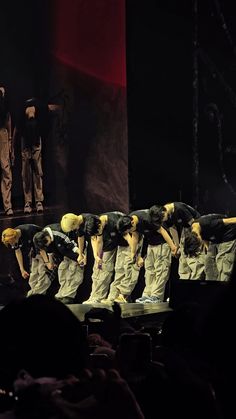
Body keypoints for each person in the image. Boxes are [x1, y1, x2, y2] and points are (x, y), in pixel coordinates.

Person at [113, 209, 177, 303]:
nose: (130, 231)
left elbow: (163, 231)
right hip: (151, 244)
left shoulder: (147, 219)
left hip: (162, 243)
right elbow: (135, 236)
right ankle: (147, 294)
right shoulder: (131, 221)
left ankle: (156, 296)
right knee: (149, 270)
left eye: (130, 229)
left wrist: (173, 247)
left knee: (161, 270)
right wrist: (133, 253)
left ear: (133, 222)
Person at [12, 98, 60, 214]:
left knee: (38, 171)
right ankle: (27, 203)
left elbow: (51, 108)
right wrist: (12, 148)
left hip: (36, 139)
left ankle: (39, 201)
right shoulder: (21, 115)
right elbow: (16, 131)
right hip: (25, 141)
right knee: (26, 173)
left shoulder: (41, 109)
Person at [149, 202, 205, 280]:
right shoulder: (167, 215)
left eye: (161, 218)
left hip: (195, 228)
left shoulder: (180, 208)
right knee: (183, 256)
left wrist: (196, 241)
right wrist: (176, 246)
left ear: (163, 212)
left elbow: (194, 224)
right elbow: (173, 229)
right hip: (185, 230)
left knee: (192, 256)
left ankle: (196, 279)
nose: (161, 221)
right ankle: (184, 279)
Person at [82, 211, 125, 304]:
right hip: (110, 241)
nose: (97, 234)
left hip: (125, 240)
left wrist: (136, 254)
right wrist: (96, 256)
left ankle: (115, 296)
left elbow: (131, 236)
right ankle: (96, 296)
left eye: (98, 232)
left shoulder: (116, 221)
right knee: (101, 268)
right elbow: (97, 240)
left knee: (121, 268)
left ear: (100, 225)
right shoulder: (95, 224)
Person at [28, 225, 81, 296]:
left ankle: (68, 295)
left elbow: (73, 245)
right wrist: (49, 263)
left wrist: (81, 255)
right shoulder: (43, 240)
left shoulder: (58, 234)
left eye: (46, 243)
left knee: (72, 273)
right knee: (61, 271)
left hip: (74, 252)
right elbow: (49, 252)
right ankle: (62, 294)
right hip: (62, 255)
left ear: (47, 237)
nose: (47, 245)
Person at [184, 214, 236, 281]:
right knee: (208, 262)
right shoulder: (194, 229)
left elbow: (231, 220)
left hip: (228, 235)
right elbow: (204, 237)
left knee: (222, 262)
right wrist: (207, 247)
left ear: (198, 238)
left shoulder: (209, 224)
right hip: (215, 237)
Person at [0, 84, 13, 215]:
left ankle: (7, 205)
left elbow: (8, 120)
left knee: (6, 169)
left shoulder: (3, 101)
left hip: (2, 134)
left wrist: (10, 142)